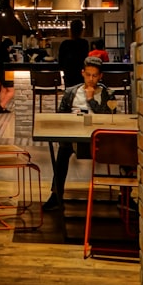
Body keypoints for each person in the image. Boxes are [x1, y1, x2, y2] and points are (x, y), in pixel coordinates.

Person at [44, 57, 114, 211]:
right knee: (63, 151)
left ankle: (126, 195)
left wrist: (91, 100)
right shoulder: (71, 92)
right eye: (88, 74)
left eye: (94, 75)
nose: (91, 79)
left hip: (100, 137)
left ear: (100, 76)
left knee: (123, 146)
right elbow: (61, 115)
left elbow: (110, 117)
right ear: (82, 73)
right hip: (75, 134)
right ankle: (56, 195)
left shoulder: (107, 93)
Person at [58, 19, 90, 87]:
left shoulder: (64, 44)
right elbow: (85, 60)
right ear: (82, 30)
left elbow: (60, 62)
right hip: (81, 77)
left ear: (70, 30)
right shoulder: (84, 43)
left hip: (68, 77)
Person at [0, 37, 15, 113]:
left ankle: (2, 107)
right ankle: (2, 105)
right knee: (11, 91)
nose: (10, 48)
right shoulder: (5, 53)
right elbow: (7, 62)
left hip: (0, 72)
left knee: (4, 89)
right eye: (10, 46)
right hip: (6, 72)